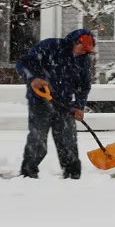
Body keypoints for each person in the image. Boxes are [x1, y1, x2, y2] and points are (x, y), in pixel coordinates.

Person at [15, 28, 96, 179]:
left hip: (64, 104)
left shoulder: (83, 59)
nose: (83, 53)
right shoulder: (50, 46)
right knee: (38, 139)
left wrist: (79, 106)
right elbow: (23, 63)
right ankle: (28, 172)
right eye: (82, 48)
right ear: (75, 42)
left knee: (68, 140)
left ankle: (73, 174)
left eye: (87, 51)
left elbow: (84, 86)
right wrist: (33, 78)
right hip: (39, 100)